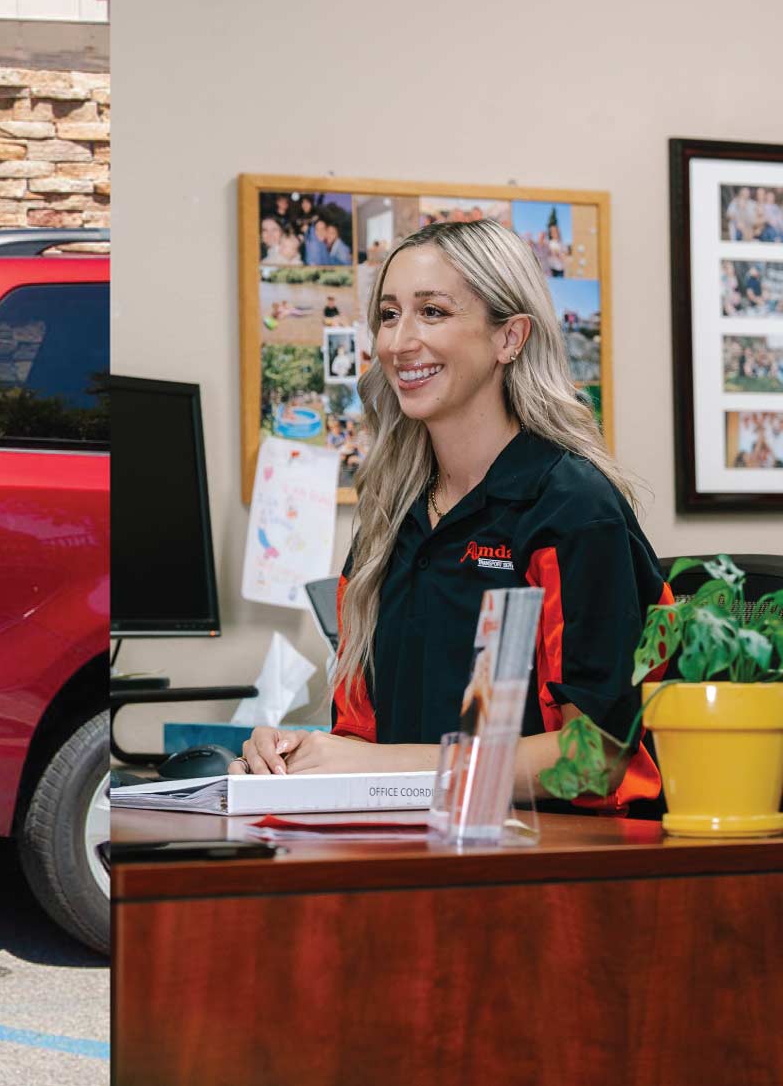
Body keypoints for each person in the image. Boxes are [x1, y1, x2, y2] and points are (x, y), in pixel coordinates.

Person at [232, 219, 670, 815]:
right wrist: (299, 753)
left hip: (550, 862)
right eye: (389, 315)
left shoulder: (574, 508)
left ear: (509, 338)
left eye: (432, 312)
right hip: (412, 850)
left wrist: (383, 764)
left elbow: (596, 756)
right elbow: (363, 733)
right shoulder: (392, 513)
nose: (398, 342)